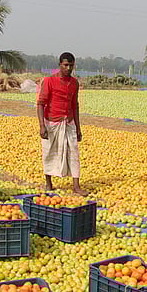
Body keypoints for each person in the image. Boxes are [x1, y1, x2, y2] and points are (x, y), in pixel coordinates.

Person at [37, 52, 84, 194]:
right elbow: (41, 104)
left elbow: (75, 105)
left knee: (73, 152)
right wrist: (42, 126)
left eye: (71, 65)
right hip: (52, 122)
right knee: (49, 152)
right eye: (65, 65)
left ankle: (76, 186)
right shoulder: (49, 81)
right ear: (60, 65)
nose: (68, 68)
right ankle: (48, 183)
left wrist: (78, 128)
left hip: (68, 122)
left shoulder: (74, 83)